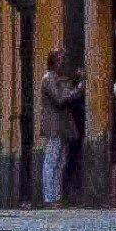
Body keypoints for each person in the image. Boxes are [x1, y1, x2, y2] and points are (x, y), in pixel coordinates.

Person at [36, 47, 85, 207]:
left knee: (60, 160)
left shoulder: (58, 78)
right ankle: (50, 197)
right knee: (52, 159)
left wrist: (76, 85)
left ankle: (56, 196)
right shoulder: (48, 78)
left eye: (64, 59)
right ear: (54, 61)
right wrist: (78, 89)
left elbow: (66, 94)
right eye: (61, 59)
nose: (64, 62)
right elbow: (60, 99)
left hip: (63, 125)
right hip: (54, 125)